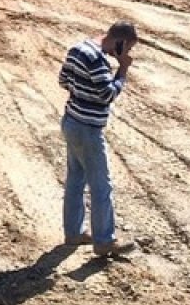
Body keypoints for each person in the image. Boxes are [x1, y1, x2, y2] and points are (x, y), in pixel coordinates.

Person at [58, 21, 138, 256]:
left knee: (75, 179)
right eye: (127, 48)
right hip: (88, 129)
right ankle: (104, 240)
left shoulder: (78, 49)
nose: (127, 53)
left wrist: (82, 90)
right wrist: (122, 70)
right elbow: (107, 95)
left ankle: (73, 233)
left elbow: (63, 80)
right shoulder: (98, 60)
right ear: (120, 42)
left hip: (71, 121)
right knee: (101, 186)